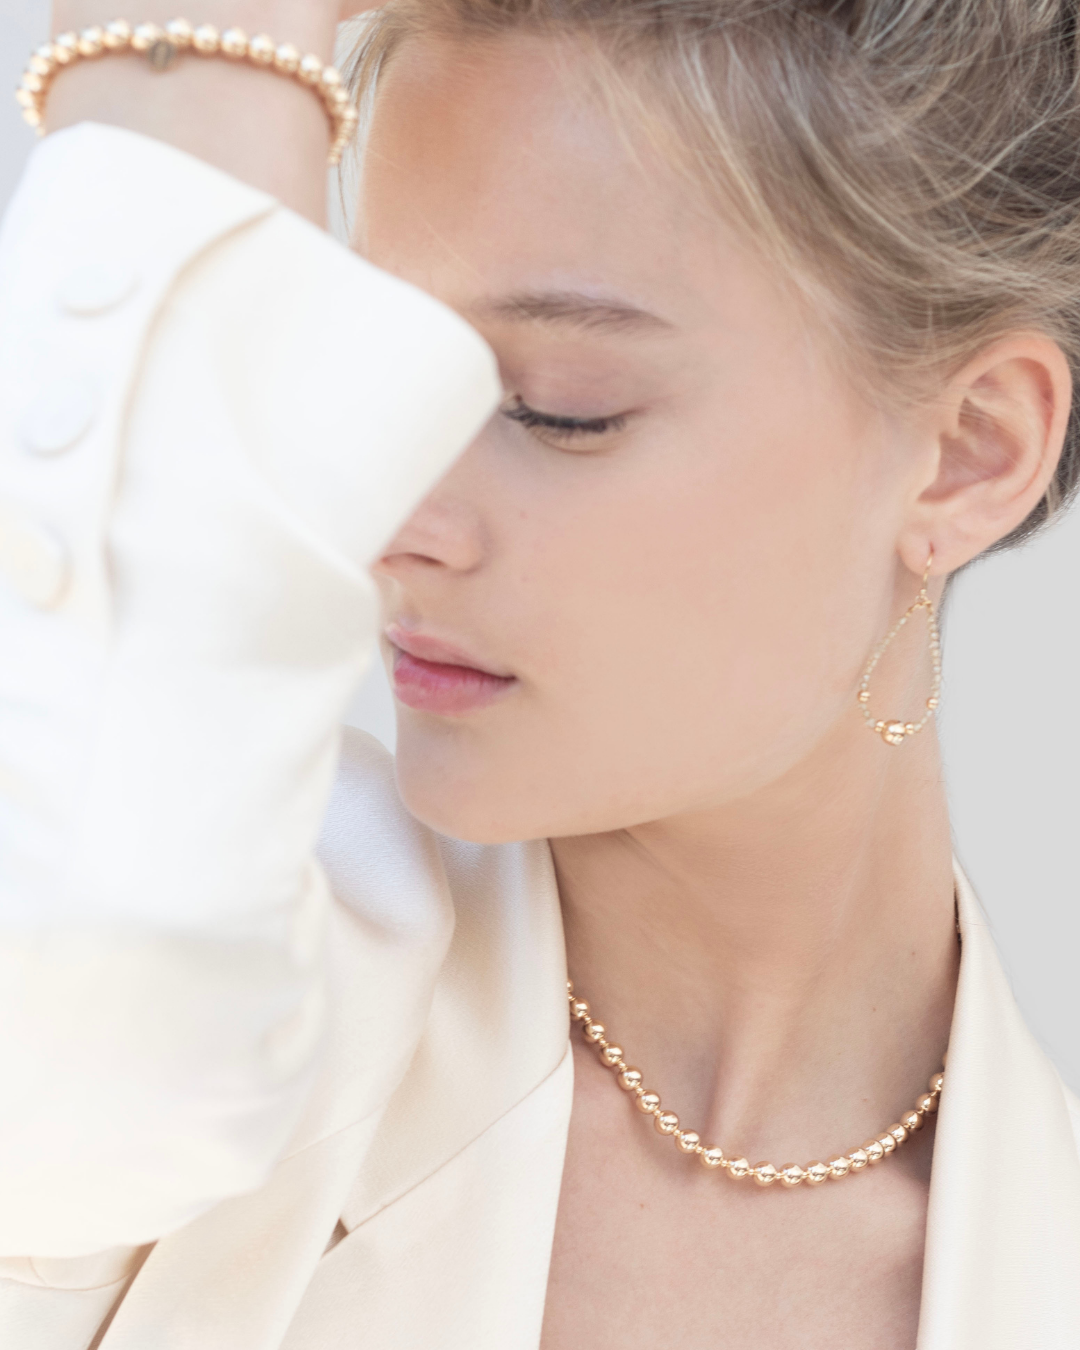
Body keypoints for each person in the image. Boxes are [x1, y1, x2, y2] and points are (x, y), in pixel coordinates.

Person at [1, 0, 1079, 1345]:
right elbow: (85, 968)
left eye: (557, 406)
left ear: (972, 449)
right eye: (383, 374)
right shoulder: (213, 1018)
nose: (390, 510)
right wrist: (193, 51)